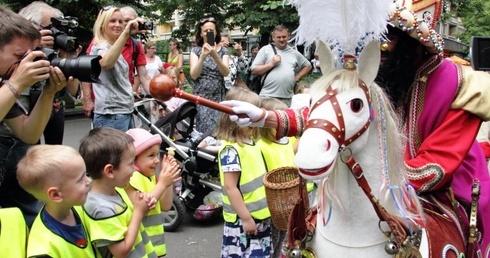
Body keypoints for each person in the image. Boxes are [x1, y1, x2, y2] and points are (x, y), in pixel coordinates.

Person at [223, 5, 490, 256]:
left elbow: (439, 161)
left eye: (387, 38)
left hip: (438, 185)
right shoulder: (377, 73)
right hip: (364, 173)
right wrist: (267, 117)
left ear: (413, 43)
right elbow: (335, 114)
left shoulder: (457, 82)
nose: (377, 49)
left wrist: (381, 184)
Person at [0, 5, 69, 227]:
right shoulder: (10, 83)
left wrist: (48, 93)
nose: (27, 63)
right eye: (20, 55)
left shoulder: (5, 81)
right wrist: (17, 83)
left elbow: (28, 133)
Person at [79, 127, 157, 258]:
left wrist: (142, 202)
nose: (134, 169)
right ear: (110, 171)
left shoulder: (118, 190)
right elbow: (121, 251)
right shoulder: (100, 208)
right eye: (131, 164)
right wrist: (138, 212)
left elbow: (128, 220)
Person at [215, 87, 272, 257]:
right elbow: (231, 187)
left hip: (259, 216)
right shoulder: (231, 150)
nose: (254, 123)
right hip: (243, 220)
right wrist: (246, 219)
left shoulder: (251, 142)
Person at [18, 1, 82, 145]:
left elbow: (72, 93)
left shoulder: (53, 52)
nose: (54, 34)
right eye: (49, 28)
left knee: (53, 154)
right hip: (20, 116)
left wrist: (69, 60)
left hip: (52, 106)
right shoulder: (10, 48)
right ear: (28, 24)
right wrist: (31, 45)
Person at [17, 145, 95, 257]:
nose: (89, 180)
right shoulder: (43, 251)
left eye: (86, 174)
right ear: (56, 194)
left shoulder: (75, 206)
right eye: (80, 179)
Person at [82, 6, 151, 118]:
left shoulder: (136, 45)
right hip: (109, 110)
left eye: (121, 21)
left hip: (124, 106)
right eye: (126, 21)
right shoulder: (100, 43)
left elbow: (144, 76)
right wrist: (87, 100)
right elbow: (90, 69)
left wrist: (158, 95)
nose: (129, 24)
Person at [125, 128, 181, 256]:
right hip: (141, 248)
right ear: (134, 159)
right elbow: (142, 207)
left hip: (155, 246)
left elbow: (166, 206)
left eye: (157, 155)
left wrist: (167, 181)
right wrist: (162, 183)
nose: (156, 160)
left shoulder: (149, 176)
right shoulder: (133, 177)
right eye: (151, 156)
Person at [251, 24, 311, 107]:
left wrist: (297, 77)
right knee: (268, 120)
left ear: (289, 36)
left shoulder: (294, 53)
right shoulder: (265, 50)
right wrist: (271, 64)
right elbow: (254, 71)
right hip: (268, 97)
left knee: (285, 120)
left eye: (284, 37)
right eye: (279, 37)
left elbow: (308, 66)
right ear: (273, 37)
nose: (281, 39)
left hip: (287, 98)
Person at [189, 17, 229, 133]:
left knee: (219, 130)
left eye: (211, 30)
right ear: (201, 34)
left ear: (216, 32)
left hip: (218, 97)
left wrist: (215, 55)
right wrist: (203, 56)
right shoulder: (195, 51)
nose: (208, 33)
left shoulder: (223, 51)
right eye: (205, 31)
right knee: (203, 131)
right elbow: (194, 75)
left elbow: (226, 72)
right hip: (201, 97)